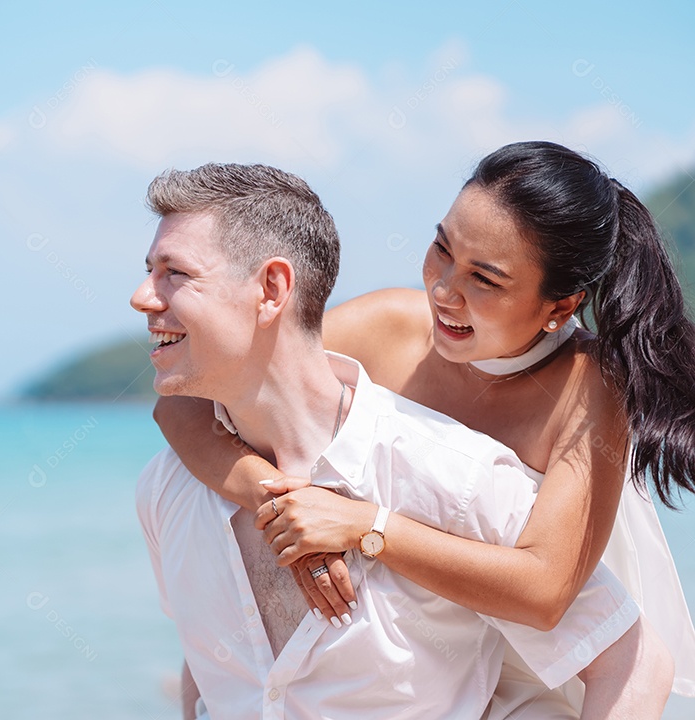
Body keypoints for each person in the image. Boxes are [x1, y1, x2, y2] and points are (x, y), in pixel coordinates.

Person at [153, 142, 695, 714]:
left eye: (485, 279)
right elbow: (188, 403)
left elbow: (545, 592)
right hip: (410, 654)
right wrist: (284, 508)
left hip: (559, 662)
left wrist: (366, 526)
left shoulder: (587, 390)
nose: (443, 289)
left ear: (560, 307)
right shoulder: (389, 325)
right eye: (442, 247)